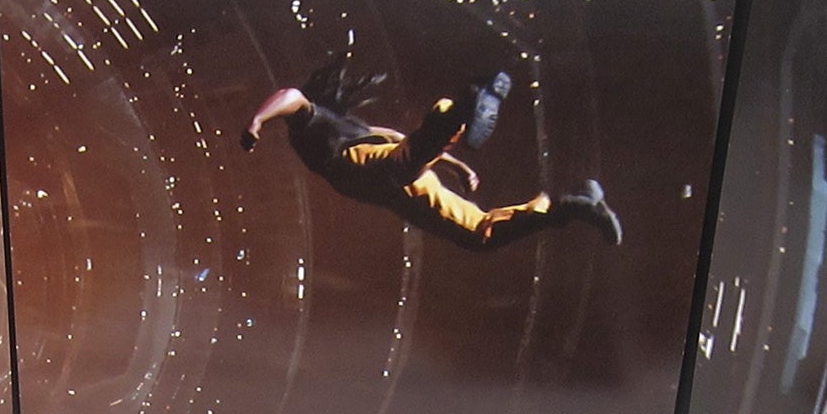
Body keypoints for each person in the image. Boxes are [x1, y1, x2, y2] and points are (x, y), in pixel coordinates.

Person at [242, 58, 622, 249]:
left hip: (360, 168)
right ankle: (570, 205)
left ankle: (459, 109)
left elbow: (291, 96)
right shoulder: (354, 125)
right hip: (398, 187)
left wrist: (258, 121)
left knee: (400, 166)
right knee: (479, 234)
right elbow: (398, 138)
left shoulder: (311, 123)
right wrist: (457, 166)